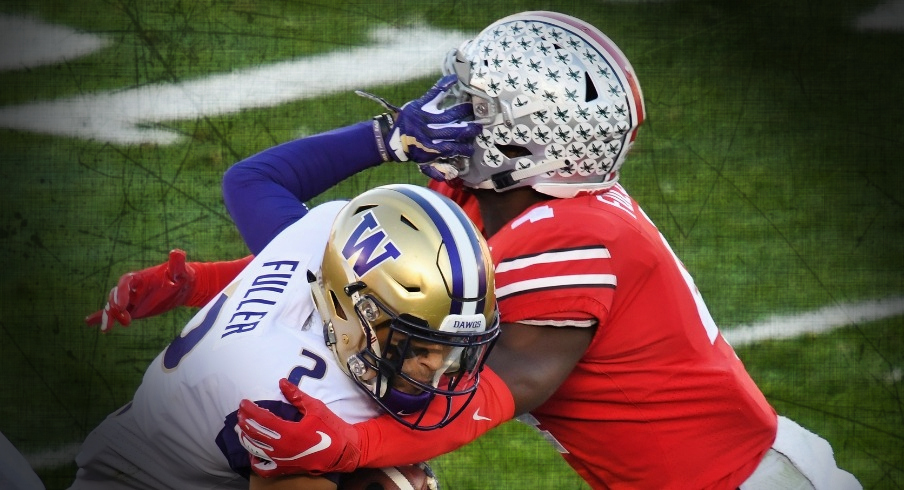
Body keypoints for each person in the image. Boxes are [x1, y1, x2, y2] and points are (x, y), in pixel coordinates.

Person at [88, 11, 861, 490]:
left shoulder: (584, 238)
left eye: (477, 104)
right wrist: (208, 284)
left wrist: (349, 443)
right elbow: (362, 271)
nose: (449, 109)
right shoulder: (484, 200)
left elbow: (498, 391)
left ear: (529, 146)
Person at [72, 78, 501, 489]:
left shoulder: (327, 240)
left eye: (451, 348)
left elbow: (254, 182)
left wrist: (388, 138)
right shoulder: (290, 395)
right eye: (420, 346)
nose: (438, 369)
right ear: (361, 313)